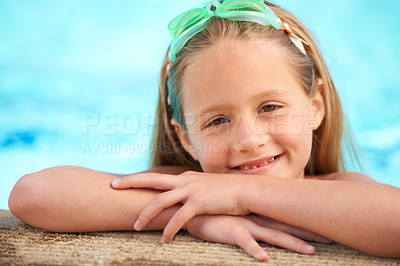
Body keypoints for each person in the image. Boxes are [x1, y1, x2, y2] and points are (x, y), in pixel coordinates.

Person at [8, 0, 400, 262]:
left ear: (315, 107)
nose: (248, 140)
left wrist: (243, 192)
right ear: (184, 137)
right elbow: (33, 194)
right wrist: (192, 216)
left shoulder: (341, 189)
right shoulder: (189, 188)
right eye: (217, 121)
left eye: (270, 107)